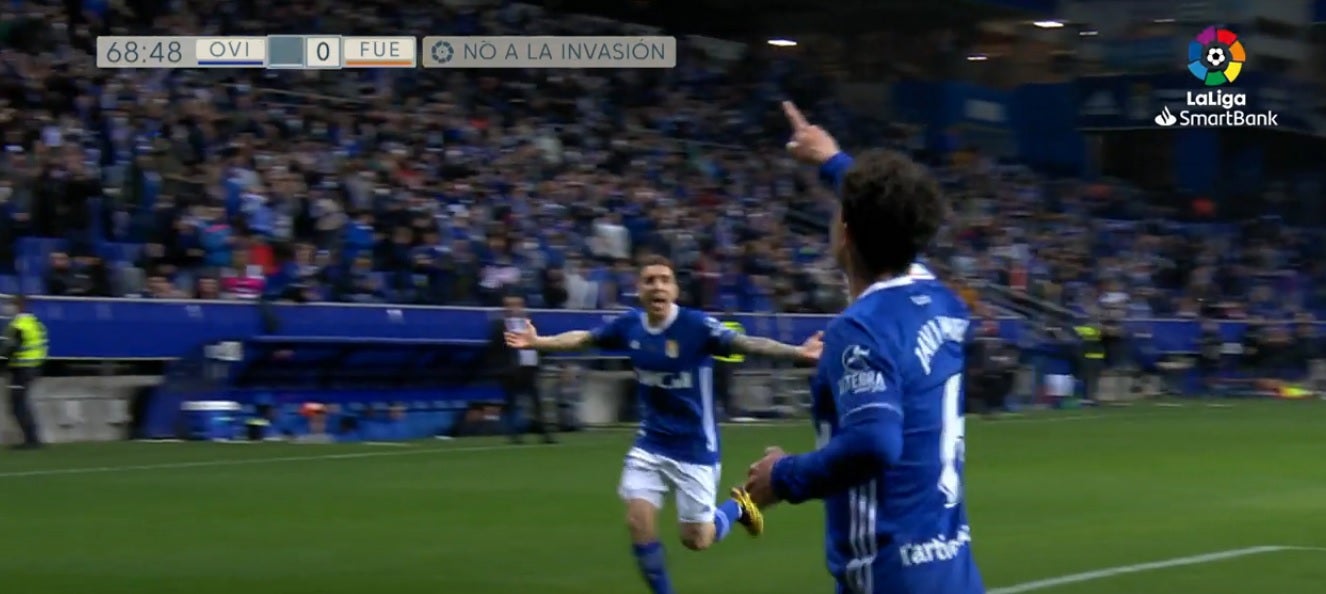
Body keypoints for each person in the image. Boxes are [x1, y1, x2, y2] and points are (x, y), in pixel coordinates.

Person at [744, 102, 985, 594]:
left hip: (888, 577)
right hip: (953, 573)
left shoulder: (861, 328)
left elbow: (874, 443)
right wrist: (832, 159)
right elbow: (894, 216)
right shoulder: (944, 302)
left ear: (846, 234)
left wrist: (782, 475)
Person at [505, 255, 822, 594]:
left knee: (697, 539)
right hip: (651, 442)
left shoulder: (696, 326)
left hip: (695, 447)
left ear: (675, 290)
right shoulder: (630, 326)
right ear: (638, 289)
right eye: (650, 280)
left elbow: (748, 343)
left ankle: (739, 507)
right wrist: (539, 342)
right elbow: (585, 339)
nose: (657, 286)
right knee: (637, 521)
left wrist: (796, 353)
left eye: (664, 280)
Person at [486, 293, 555, 444]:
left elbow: (540, 343)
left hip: (530, 368)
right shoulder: (500, 326)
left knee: (537, 402)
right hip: (511, 371)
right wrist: (502, 368)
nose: (514, 308)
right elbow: (495, 350)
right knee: (512, 402)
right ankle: (514, 435)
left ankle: (545, 433)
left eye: (517, 305)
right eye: (510, 305)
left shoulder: (530, 324)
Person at [2, 295, 48, 449]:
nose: (7, 308)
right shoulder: (35, 323)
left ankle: (32, 440)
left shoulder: (19, 325)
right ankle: (32, 438)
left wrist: (2, 366)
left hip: (21, 369)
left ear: (18, 307)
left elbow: (10, 349)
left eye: (10, 305)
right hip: (32, 367)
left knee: (18, 404)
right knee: (20, 403)